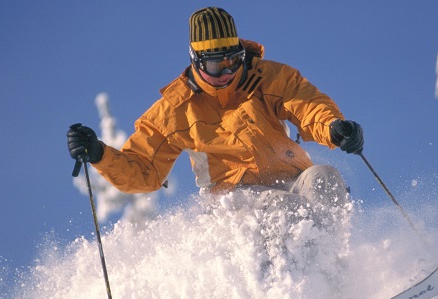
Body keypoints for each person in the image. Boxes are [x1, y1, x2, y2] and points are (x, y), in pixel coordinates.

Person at [67, 6, 364, 215]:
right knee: (286, 210)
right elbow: (144, 171)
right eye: (214, 65)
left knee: (325, 178)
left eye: (232, 61)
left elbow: (306, 104)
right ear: (196, 60)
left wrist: (333, 128)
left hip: (291, 179)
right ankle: (295, 288)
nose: (225, 71)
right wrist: (99, 154)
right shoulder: (176, 110)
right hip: (234, 200)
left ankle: (335, 279)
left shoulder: (264, 77)